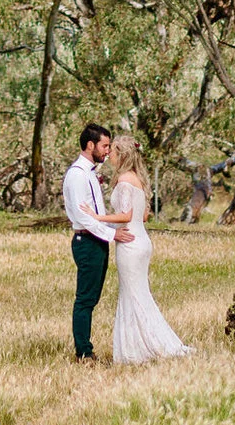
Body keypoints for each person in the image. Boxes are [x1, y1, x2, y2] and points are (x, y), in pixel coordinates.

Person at [98, 135, 193, 363]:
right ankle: (144, 345)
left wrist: (96, 217)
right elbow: (142, 216)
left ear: (122, 154)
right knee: (140, 294)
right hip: (141, 240)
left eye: (112, 151)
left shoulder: (123, 181)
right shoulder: (137, 180)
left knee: (132, 295)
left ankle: (140, 348)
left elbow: (126, 216)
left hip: (130, 244)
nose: (109, 154)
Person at [61, 123, 131, 361]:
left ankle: (85, 348)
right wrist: (112, 235)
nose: (108, 151)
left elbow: (96, 212)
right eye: (104, 145)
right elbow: (82, 217)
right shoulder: (77, 176)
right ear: (90, 145)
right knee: (85, 299)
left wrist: (114, 228)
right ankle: (83, 352)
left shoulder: (90, 173)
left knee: (93, 298)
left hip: (98, 240)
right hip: (87, 242)